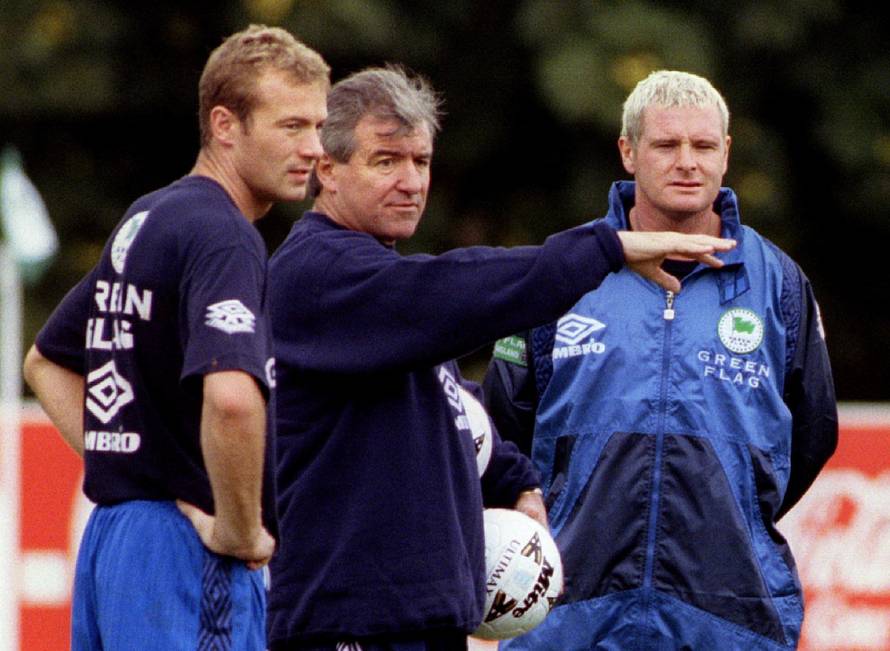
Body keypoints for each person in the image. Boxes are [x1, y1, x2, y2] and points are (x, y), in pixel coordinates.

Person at [265, 65, 735, 651]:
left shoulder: (385, 293)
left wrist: (515, 479)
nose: (411, 181)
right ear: (326, 170)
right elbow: (451, 291)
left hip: (418, 623)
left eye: (422, 161)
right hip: (348, 625)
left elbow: (452, 409)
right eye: (386, 161)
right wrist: (603, 249)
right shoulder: (318, 275)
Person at [483, 70, 838, 650]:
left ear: (725, 154)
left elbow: (813, 434)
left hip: (730, 612)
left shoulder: (779, 284)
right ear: (628, 152)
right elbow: (505, 423)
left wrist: (740, 510)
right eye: (666, 145)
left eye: (702, 146)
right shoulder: (562, 272)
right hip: (573, 613)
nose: (687, 162)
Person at [22, 24, 329, 650]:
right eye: (291, 126)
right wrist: (239, 531)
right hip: (184, 548)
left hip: (112, 542)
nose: (314, 149)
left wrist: (130, 464)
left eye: (319, 127)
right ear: (224, 125)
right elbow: (234, 398)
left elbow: (44, 363)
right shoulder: (224, 235)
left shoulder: (151, 216)